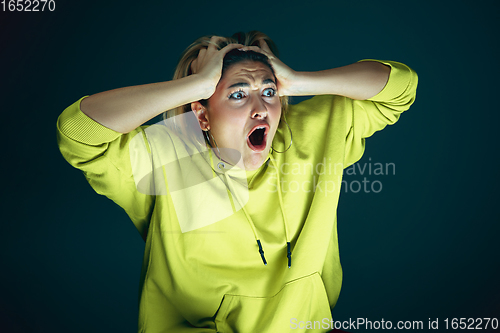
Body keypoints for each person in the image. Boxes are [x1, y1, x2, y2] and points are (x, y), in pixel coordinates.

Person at [56, 31, 418, 332]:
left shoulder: (313, 131)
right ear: (202, 116)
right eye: (238, 94)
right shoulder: (165, 158)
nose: (260, 107)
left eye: (269, 92)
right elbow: (78, 131)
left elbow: (400, 86)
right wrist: (197, 85)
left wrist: (296, 80)